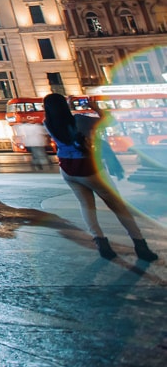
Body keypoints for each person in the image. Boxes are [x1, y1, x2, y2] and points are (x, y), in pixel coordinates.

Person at [42, 93, 157, 262]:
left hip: (67, 169)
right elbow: (110, 121)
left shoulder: (48, 123)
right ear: (65, 106)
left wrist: (66, 105)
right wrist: (95, 107)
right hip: (88, 168)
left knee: (87, 206)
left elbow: (60, 115)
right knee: (118, 206)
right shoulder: (80, 119)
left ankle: (102, 244)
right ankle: (140, 245)